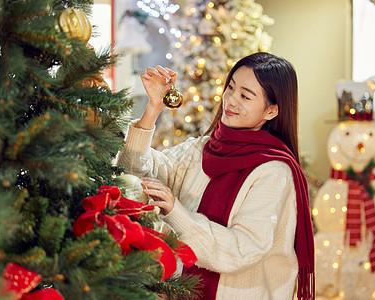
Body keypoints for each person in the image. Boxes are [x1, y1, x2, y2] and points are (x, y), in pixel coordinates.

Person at [117, 52, 315, 300]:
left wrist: (175, 212)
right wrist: (154, 107)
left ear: (271, 111)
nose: (230, 100)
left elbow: (241, 251)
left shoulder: (274, 171)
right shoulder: (202, 148)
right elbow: (133, 173)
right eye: (231, 87)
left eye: (245, 95)